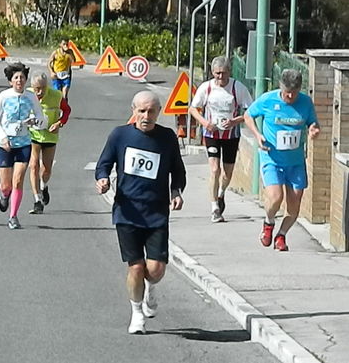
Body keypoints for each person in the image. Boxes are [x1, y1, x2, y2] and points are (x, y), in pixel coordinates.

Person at [95, 90, 186, 334]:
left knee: (155, 270)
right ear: (133, 110)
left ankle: (150, 288)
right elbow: (103, 164)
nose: (146, 116)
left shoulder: (167, 138)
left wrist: (176, 191)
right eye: (142, 111)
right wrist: (102, 179)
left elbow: (178, 170)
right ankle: (136, 314)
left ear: (158, 112)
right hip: (127, 212)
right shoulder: (119, 135)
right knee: (135, 267)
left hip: (156, 213)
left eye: (151, 111)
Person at [244, 69, 320, 252]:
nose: (290, 96)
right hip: (272, 158)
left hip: (295, 162)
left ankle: (281, 234)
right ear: (281, 87)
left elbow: (313, 123)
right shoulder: (268, 100)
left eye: (294, 92)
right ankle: (268, 223)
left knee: (294, 206)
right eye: (287, 92)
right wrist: (257, 135)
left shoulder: (305, 102)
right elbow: (248, 115)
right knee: (276, 197)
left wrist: (313, 130)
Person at [188, 56, 253, 223]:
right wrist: (204, 123)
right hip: (211, 134)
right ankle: (214, 208)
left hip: (231, 135)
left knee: (227, 172)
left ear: (229, 72)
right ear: (212, 72)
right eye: (217, 73)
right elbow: (193, 109)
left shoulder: (237, 88)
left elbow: (250, 112)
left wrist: (234, 121)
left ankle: (221, 192)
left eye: (224, 73)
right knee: (215, 170)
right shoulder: (206, 88)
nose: (220, 77)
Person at [0, 63, 46, 230]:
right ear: (10, 81)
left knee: (18, 180)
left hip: (23, 143)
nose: (19, 81)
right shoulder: (4, 96)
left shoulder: (30, 97)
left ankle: (13, 216)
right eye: (16, 78)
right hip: (5, 145)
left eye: (22, 77)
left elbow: (40, 116)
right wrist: (2, 137)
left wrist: (35, 122)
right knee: (6, 185)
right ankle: (4, 195)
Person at [26, 71, 71, 214]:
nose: (38, 92)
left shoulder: (56, 96)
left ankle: (44, 186)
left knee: (46, 169)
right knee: (33, 165)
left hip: (50, 135)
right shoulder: (27, 94)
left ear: (47, 86)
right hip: (33, 134)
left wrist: (59, 123)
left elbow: (67, 111)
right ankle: (37, 200)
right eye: (36, 88)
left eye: (42, 88)